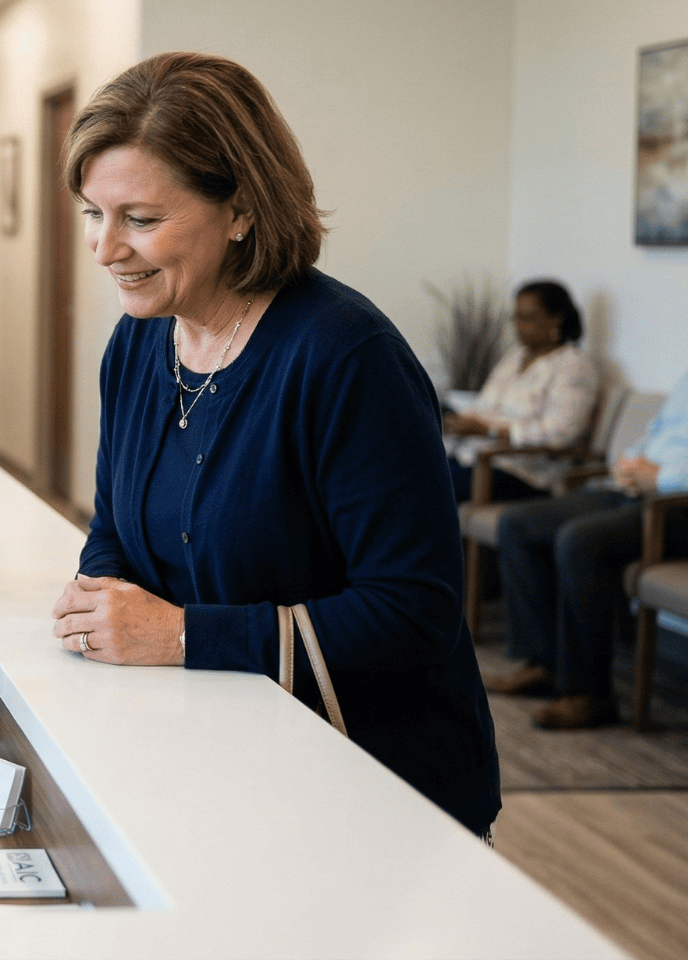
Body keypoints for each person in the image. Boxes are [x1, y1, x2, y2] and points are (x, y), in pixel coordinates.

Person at [48, 53, 500, 837]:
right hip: (211, 763)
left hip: (371, 789)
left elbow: (413, 611)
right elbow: (116, 528)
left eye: (141, 219)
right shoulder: (137, 342)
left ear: (241, 211)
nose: (105, 248)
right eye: (94, 213)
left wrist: (183, 635)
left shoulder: (346, 357)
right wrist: (103, 604)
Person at [488, 368, 688, 728]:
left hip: (677, 505)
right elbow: (657, 431)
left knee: (579, 541)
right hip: (637, 489)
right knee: (517, 524)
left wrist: (660, 476)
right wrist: (629, 463)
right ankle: (544, 662)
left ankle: (589, 693)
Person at [443, 280, 599, 503]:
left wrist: (490, 432)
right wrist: (456, 421)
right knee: (410, 472)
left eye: (528, 317)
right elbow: (483, 405)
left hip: (523, 471)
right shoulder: (514, 358)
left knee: (429, 489)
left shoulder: (573, 366)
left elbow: (561, 434)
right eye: (515, 317)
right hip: (474, 457)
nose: (518, 325)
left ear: (556, 318)